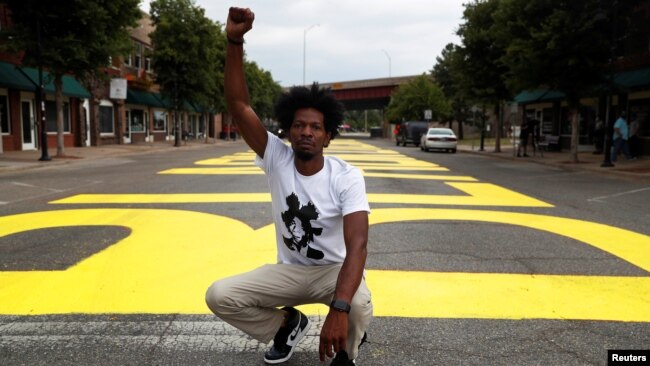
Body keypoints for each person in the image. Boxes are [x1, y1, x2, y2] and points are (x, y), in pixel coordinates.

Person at [205, 7, 373, 366]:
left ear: (328, 137)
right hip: (290, 271)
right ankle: (287, 324)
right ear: (288, 130)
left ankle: (345, 354)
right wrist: (234, 41)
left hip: (333, 271)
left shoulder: (346, 176)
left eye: (315, 127)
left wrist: (338, 309)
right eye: (299, 125)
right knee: (220, 295)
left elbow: (357, 245)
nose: (307, 132)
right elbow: (238, 104)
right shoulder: (276, 157)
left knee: (356, 304)